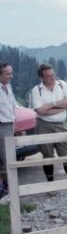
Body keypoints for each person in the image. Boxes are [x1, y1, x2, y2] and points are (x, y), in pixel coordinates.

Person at [31, 64, 67, 196]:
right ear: (41, 77)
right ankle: (51, 187)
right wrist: (60, 106)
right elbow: (40, 111)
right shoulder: (36, 90)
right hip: (43, 125)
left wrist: (51, 105)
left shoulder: (62, 84)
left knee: (66, 155)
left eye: (53, 74)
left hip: (60, 125)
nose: (52, 78)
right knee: (48, 157)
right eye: (48, 76)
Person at [0, 62, 16, 198]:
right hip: (1, 125)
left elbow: (12, 105)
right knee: (7, 158)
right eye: (8, 74)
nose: (11, 76)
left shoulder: (8, 87)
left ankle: (6, 189)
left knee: (8, 157)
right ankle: (7, 190)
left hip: (9, 124)